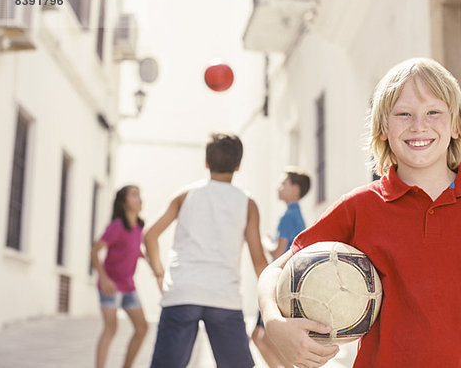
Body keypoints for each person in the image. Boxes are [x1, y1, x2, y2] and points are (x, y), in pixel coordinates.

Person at [257, 58, 461, 367]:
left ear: (456, 125)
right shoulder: (360, 207)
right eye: (403, 114)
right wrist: (274, 323)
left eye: (433, 112)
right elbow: (274, 270)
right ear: (383, 128)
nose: (419, 125)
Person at [144, 132, 268, 368]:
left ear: (206, 162)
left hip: (182, 291)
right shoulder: (248, 204)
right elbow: (259, 261)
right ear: (239, 165)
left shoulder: (185, 195)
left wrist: (160, 274)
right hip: (224, 296)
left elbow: (150, 236)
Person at [252, 167, 311, 367]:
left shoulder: (288, 216)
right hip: (290, 284)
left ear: (295, 189)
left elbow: (277, 253)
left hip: (278, 284)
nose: (279, 187)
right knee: (262, 337)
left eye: (283, 183)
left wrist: (264, 241)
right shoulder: (298, 215)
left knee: (260, 337)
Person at [91, 185, 149, 368]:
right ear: (124, 203)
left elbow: (130, 248)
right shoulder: (116, 227)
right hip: (111, 286)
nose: (139, 199)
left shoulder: (139, 227)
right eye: (134, 195)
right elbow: (94, 251)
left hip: (128, 287)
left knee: (142, 328)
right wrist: (104, 279)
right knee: (111, 328)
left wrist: (143, 256)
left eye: (139, 195)